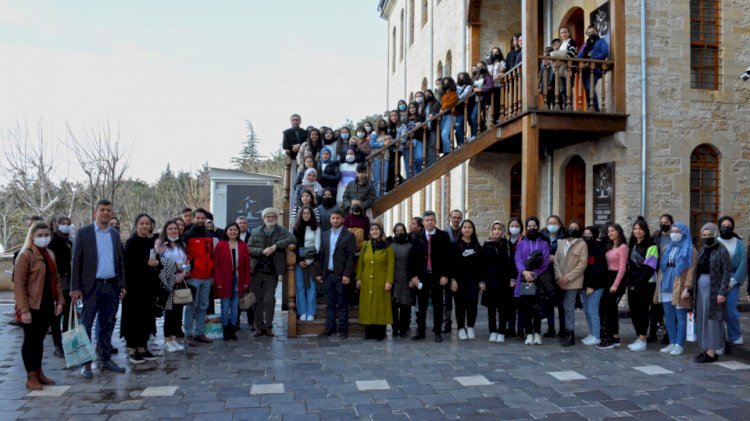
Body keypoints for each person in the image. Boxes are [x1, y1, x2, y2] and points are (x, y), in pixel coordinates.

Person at [70, 199, 127, 378]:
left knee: (107, 324)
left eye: (109, 210)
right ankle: (86, 364)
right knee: (86, 325)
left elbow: (120, 261)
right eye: (102, 210)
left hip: (111, 286)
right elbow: (76, 262)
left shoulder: (114, 235)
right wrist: (75, 287)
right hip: (90, 288)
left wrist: (122, 284)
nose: (106, 213)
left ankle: (105, 359)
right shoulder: (84, 233)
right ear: (96, 211)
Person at [14, 221, 64, 390]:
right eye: (39, 236)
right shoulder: (26, 255)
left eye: (46, 235)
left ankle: (39, 371)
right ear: (32, 237)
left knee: (40, 341)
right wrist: (24, 310)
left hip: (47, 304)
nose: (44, 238)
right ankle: (31, 376)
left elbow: (56, 279)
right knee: (30, 341)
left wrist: (60, 300)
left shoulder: (49, 253)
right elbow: (19, 284)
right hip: (32, 305)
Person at [248, 208, 296, 337]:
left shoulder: (282, 230)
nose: (270, 218)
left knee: (269, 299)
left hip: (272, 272)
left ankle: (269, 326)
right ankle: (259, 326)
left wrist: (275, 246)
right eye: (267, 216)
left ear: (276, 217)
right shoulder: (255, 231)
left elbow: (293, 239)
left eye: (272, 216)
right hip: (256, 271)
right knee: (257, 300)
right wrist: (261, 251)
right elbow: (248, 249)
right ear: (263, 219)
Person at [121, 214, 159, 364]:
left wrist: (156, 263)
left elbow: (156, 260)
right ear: (136, 225)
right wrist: (146, 265)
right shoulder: (131, 242)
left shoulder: (150, 242)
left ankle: (143, 346)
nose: (145, 226)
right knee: (133, 318)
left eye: (147, 223)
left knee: (146, 317)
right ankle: (132, 348)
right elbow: (129, 266)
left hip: (148, 287)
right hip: (133, 287)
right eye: (142, 223)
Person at [654, 222, 697, 356]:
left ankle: (679, 344)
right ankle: (672, 342)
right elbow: (662, 266)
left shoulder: (691, 249)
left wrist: (688, 288)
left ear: (684, 233)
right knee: (669, 316)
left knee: (680, 316)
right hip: (666, 283)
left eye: (678, 231)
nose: (674, 234)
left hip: (680, 284)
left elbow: (691, 270)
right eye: (673, 231)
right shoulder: (667, 247)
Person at [408, 211, 451, 342]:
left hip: (437, 277)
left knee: (438, 306)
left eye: (432, 220)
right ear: (423, 223)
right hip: (422, 277)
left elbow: (448, 258)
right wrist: (413, 276)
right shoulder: (417, 237)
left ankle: (438, 332)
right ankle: (421, 331)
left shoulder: (443, 236)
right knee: (421, 306)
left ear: (435, 221)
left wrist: (445, 275)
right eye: (427, 220)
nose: (429, 222)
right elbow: (412, 259)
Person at [693, 223, 732, 363]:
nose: (706, 237)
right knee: (702, 318)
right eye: (704, 235)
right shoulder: (703, 249)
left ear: (715, 234)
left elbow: (727, 272)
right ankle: (705, 347)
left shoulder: (722, 250)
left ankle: (712, 352)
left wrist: (722, 292)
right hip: (701, 288)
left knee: (713, 320)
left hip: (714, 289)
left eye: (709, 235)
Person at [316, 208, 357, 339]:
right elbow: (321, 255)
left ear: (342, 219)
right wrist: (319, 273)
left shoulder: (349, 235)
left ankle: (344, 329)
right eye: (333, 218)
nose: (335, 220)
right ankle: (330, 328)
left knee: (343, 303)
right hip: (328, 274)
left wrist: (347, 274)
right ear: (330, 220)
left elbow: (351, 257)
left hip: (341, 275)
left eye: (337, 218)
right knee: (330, 303)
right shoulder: (324, 234)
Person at [183, 208, 218, 345]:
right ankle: (188, 334)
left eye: (202, 218)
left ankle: (199, 333)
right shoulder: (187, 235)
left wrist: (212, 275)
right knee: (191, 306)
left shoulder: (209, 235)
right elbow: (183, 256)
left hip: (206, 277)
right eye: (197, 218)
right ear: (193, 218)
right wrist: (186, 273)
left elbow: (211, 256)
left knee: (203, 306)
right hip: (193, 276)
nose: (200, 220)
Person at [356, 222, 395, 341]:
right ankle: (369, 332)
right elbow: (360, 263)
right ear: (369, 232)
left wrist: (389, 281)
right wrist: (358, 278)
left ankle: (380, 333)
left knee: (380, 306)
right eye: (372, 229)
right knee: (367, 305)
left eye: (376, 229)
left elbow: (391, 265)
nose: (374, 231)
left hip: (381, 281)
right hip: (367, 280)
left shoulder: (387, 246)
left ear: (380, 231)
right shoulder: (365, 245)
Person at [625, 217, 659, 352]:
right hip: (632, 284)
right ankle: (638, 336)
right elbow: (629, 266)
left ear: (645, 230)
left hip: (646, 284)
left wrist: (637, 283)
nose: (637, 231)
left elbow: (649, 268)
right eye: (635, 228)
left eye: (640, 228)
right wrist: (630, 282)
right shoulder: (632, 246)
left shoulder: (651, 246)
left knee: (643, 311)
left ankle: (642, 338)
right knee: (633, 311)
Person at [514, 217, 550, 345]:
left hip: (538, 280)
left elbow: (545, 262)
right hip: (524, 279)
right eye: (529, 226)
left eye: (534, 225)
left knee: (537, 308)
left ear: (538, 226)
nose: (531, 228)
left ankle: (537, 333)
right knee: (526, 308)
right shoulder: (521, 242)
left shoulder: (543, 243)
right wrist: (524, 272)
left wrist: (533, 274)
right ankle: (529, 333)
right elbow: (518, 259)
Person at [155, 220, 188, 352]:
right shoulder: (161, 246)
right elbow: (159, 263)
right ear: (165, 231)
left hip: (181, 281)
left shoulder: (181, 245)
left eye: (175, 228)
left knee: (178, 312)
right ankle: (167, 340)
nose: (174, 231)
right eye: (170, 229)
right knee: (169, 312)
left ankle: (174, 338)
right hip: (167, 282)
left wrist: (184, 271)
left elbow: (186, 262)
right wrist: (175, 269)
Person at [213, 222, 250, 340]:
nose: (233, 232)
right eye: (230, 230)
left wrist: (246, 281)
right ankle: (225, 329)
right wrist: (218, 281)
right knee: (225, 305)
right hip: (224, 280)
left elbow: (246, 265)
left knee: (235, 306)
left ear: (238, 232)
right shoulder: (221, 245)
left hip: (239, 280)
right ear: (226, 231)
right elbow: (216, 265)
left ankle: (233, 329)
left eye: (235, 230)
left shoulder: (242, 245)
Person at [553, 220, 588, 347]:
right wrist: (559, 277)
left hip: (573, 282)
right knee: (562, 307)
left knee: (569, 307)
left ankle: (570, 334)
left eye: (575, 227)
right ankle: (564, 331)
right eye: (571, 226)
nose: (573, 229)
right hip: (560, 280)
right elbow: (556, 260)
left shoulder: (582, 244)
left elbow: (582, 264)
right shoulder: (561, 242)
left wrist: (567, 278)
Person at [450, 219, 485, 341]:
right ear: (461, 230)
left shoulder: (477, 246)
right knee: (460, 304)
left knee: (472, 304)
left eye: (470, 227)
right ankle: (460, 328)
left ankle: (470, 327)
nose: (467, 229)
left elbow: (481, 265)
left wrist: (481, 281)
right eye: (464, 227)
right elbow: (451, 264)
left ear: (473, 229)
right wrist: (452, 280)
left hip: (473, 280)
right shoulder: (455, 245)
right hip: (459, 280)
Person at [716, 216, 747, 348]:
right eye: (723, 225)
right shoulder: (715, 242)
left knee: (730, 309)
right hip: (717, 278)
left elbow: (743, 263)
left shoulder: (738, 243)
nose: (726, 228)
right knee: (717, 309)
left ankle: (735, 334)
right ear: (719, 226)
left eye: (729, 226)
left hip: (733, 278)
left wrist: (733, 281)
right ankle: (718, 337)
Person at [596, 224, 628, 349]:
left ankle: (608, 338)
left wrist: (615, 285)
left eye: (613, 230)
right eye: (609, 231)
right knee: (610, 309)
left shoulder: (623, 247)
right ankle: (614, 336)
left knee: (608, 309)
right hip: (608, 278)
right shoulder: (609, 246)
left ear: (619, 231)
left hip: (617, 279)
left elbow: (622, 268)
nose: (610, 233)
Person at [47, 216, 73, 358]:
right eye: (63, 223)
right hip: (58, 283)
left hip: (68, 282)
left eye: (68, 224)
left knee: (68, 315)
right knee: (57, 316)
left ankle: (66, 343)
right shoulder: (53, 242)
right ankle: (58, 345)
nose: (65, 226)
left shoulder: (68, 241)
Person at [483, 221, 510, 342]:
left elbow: (512, 263)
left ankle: (502, 331)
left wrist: (512, 278)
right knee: (491, 308)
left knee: (503, 308)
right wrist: (482, 281)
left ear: (503, 231)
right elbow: (481, 265)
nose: (496, 231)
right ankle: (492, 331)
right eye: (494, 229)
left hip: (503, 281)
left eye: (499, 229)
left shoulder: (508, 245)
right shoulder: (487, 245)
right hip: (490, 281)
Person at [293, 205, 321, 322]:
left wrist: (308, 260)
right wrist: (300, 261)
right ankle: (302, 312)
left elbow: (317, 246)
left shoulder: (316, 228)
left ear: (311, 215)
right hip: (299, 263)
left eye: (308, 213)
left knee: (312, 288)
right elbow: (295, 245)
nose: (306, 215)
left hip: (312, 262)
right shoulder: (296, 228)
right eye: (304, 213)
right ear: (301, 215)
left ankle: (310, 312)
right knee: (300, 287)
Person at [541, 215, 566, 338]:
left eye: (554, 223)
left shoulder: (564, 237)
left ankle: (563, 329)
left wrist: (555, 258)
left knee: (561, 303)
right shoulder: (542, 236)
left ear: (560, 225)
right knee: (549, 301)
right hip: (546, 274)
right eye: (549, 222)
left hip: (560, 273)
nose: (552, 225)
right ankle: (551, 328)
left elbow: (568, 255)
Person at [581, 226, 607, 346]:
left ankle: (597, 336)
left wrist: (592, 285)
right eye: (585, 234)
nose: (587, 236)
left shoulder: (598, 248)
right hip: (584, 285)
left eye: (589, 234)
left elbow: (599, 269)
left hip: (595, 286)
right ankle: (592, 333)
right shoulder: (584, 247)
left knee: (593, 311)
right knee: (587, 311)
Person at [650, 213, 673, 343]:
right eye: (661, 221)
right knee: (654, 305)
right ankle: (652, 332)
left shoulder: (674, 236)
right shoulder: (656, 236)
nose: (663, 224)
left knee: (668, 304)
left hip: (668, 273)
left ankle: (669, 334)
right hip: (656, 272)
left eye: (666, 222)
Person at [577, 25, 609, 111]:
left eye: (593, 32)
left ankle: (596, 109)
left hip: (595, 69)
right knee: (587, 91)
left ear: (596, 32)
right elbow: (579, 56)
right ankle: (590, 108)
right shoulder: (585, 44)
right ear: (587, 34)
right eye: (589, 32)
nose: (591, 33)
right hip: (584, 70)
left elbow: (604, 53)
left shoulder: (601, 41)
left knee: (589, 88)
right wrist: (582, 62)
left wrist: (591, 60)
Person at [389, 223, 413, 338]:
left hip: (405, 279)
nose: (399, 232)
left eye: (401, 230)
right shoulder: (390, 245)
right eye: (397, 230)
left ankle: (403, 328)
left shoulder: (409, 245)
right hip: (393, 278)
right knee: (393, 306)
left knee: (405, 306)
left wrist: (411, 278)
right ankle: (394, 328)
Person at [505, 217, 524, 339]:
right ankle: (511, 328)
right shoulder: (506, 242)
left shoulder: (523, 241)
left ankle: (521, 329)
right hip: (508, 277)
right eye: (512, 226)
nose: (514, 228)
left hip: (520, 275)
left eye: (516, 226)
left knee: (521, 304)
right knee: (510, 304)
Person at [470, 63, 493, 138]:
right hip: (474, 100)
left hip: (482, 100)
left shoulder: (487, 76)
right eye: (478, 67)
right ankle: (476, 133)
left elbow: (490, 86)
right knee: (475, 117)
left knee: (474, 116)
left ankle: (474, 135)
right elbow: (471, 87)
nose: (479, 68)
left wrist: (480, 89)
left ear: (484, 67)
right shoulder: (475, 77)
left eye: (481, 66)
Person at [283, 114, 308, 184]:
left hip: (304, 158)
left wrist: (299, 145)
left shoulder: (305, 132)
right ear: (290, 121)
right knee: (294, 179)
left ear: (300, 121)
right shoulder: (286, 132)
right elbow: (285, 145)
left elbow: (307, 142)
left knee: (303, 178)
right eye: (293, 120)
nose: (295, 122)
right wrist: (292, 147)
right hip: (293, 158)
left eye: (297, 120)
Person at [439, 77, 459, 153]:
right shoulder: (443, 96)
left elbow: (452, 102)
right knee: (443, 135)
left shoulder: (454, 93)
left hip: (451, 115)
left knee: (444, 134)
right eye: (444, 83)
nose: (445, 84)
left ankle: (448, 152)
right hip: (444, 116)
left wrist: (443, 108)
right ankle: (446, 151)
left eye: (446, 82)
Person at [422, 89, 442, 166]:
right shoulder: (424, 106)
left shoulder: (436, 103)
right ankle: (428, 163)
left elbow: (439, 112)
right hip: (426, 128)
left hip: (433, 126)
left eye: (429, 94)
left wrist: (433, 114)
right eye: (426, 94)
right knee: (427, 146)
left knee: (433, 145)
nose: (427, 96)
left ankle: (432, 163)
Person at [487, 47, 506, 124]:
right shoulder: (490, 64)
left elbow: (503, 70)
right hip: (491, 86)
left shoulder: (502, 62)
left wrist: (497, 76)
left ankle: (497, 118)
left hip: (498, 84)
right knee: (491, 102)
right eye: (493, 52)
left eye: (496, 52)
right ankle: (492, 119)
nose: (495, 53)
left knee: (498, 101)